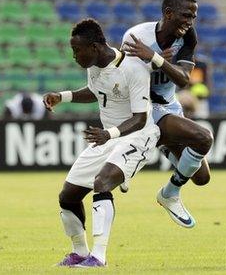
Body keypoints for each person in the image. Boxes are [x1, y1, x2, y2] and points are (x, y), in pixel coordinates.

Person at [43, 19, 160, 267]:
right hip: (108, 136)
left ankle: (99, 256)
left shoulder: (133, 69)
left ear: (95, 47)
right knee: (68, 196)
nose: (75, 56)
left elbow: (140, 119)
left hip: (138, 136)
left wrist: (110, 134)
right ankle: (80, 252)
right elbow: (96, 91)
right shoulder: (94, 65)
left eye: (78, 50)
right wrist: (62, 97)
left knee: (102, 182)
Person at [121, 0, 213, 228]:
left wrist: (155, 58)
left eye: (193, 16)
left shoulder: (188, 36)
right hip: (144, 106)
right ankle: (167, 188)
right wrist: (152, 60)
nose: (190, 21)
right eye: (186, 15)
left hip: (169, 105)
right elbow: (124, 80)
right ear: (168, 13)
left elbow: (183, 79)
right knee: (204, 138)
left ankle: (157, 161)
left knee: (202, 178)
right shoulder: (136, 37)